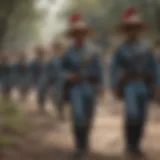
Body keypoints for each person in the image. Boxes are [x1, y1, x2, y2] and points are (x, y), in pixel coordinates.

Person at [110, 7, 160, 159]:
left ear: (139, 29)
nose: (133, 31)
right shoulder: (120, 49)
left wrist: (157, 85)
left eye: (135, 28)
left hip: (144, 85)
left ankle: (137, 145)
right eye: (130, 28)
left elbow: (154, 66)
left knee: (142, 116)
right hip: (129, 85)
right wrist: (114, 85)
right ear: (126, 30)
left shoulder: (146, 47)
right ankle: (129, 144)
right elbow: (114, 67)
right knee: (131, 113)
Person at [59, 13, 105, 159]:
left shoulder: (94, 50)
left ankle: (85, 142)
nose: (79, 35)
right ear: (73, 35)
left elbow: (100, 69)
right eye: (76, 33)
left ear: (85, 33)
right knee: (78, 115)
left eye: (82, 32)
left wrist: (101, 85)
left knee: (88, 117)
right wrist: (67, 75)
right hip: (76, 87)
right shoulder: (68, 52)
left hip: (90, 87)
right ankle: (79, 146)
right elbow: (61, 69)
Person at [37, 40, 66, 115]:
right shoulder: (51, 60)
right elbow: (47, 72)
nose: (58, 49)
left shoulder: (67, 58)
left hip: (65, 81)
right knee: (56, 97)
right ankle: (60, 111)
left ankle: (62, 111)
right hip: (54, 82)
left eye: (60, 48)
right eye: (56, 48)